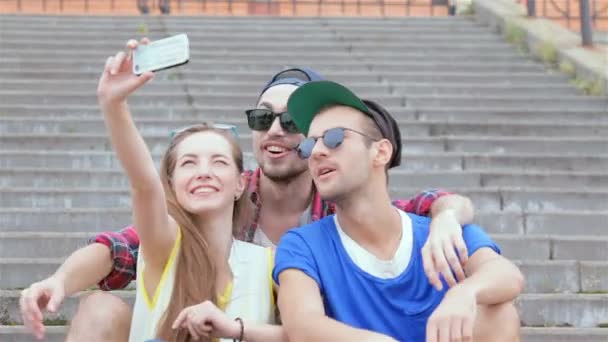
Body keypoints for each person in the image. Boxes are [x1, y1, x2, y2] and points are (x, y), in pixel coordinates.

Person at [19, 61, 476, 340]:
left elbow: (427, 207)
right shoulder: (219, 197)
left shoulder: (339, 200)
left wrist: (447, 219)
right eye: (262, 118)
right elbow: (122, 244)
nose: (276, 130)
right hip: (216, 322)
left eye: (292, 121)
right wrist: (60, 279)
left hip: (305, 330)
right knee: (101, 306)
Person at [273, 80, 524, 342]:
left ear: (381, 152)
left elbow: (507, 275)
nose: (317, 152)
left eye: (334, 138)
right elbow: (302, 325)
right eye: (309, 146)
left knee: (499, 312)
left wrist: (464, 294)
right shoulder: (302, 245)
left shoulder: (438, 234)